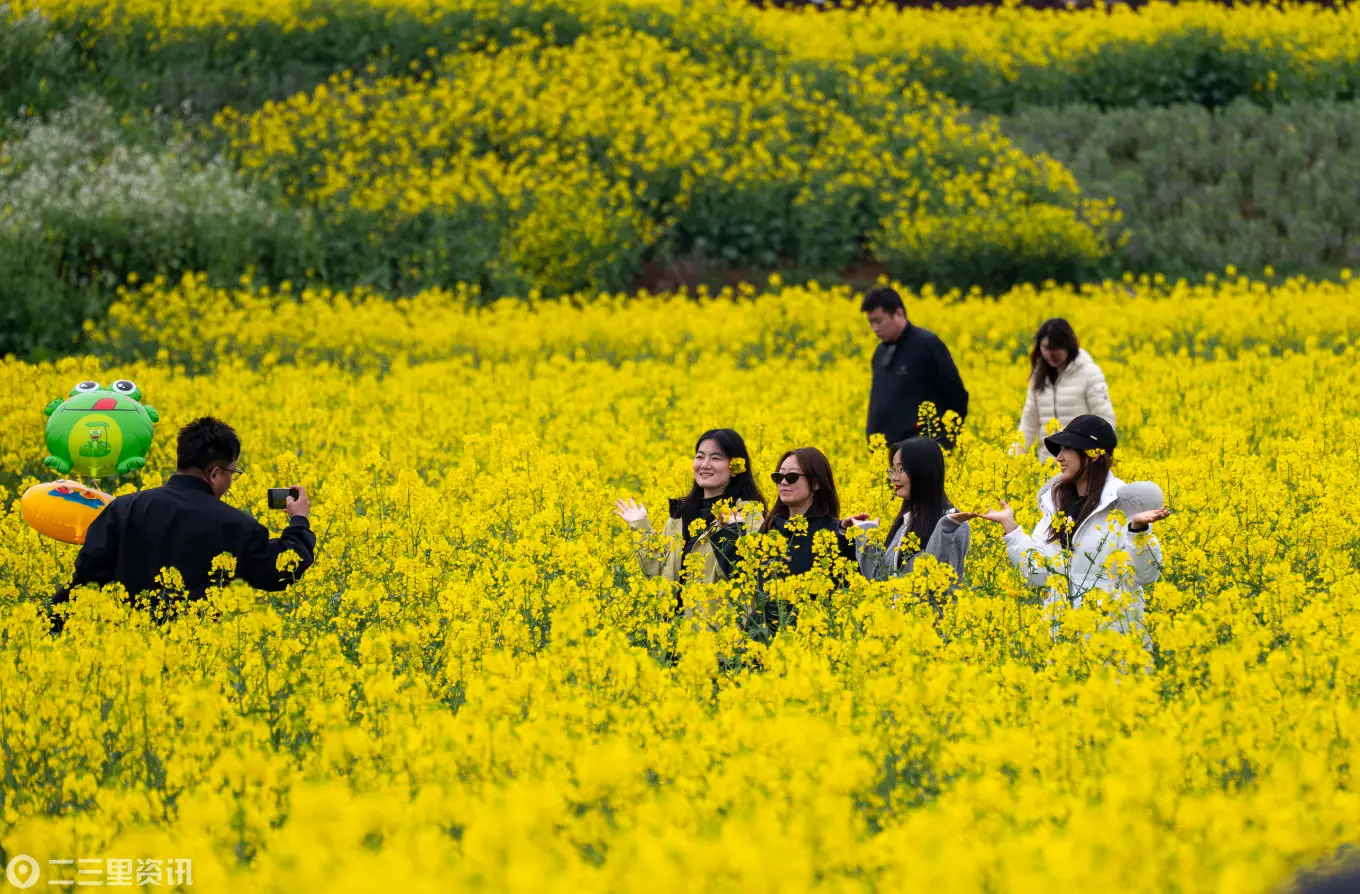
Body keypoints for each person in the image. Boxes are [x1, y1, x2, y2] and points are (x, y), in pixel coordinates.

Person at [52, 417, 316, 625]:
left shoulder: (123, 508)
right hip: (199, 663)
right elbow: (281, 570)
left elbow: (86, 577)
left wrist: (49, 623)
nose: (231, 480)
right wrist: (299, 522)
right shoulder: (235, 525)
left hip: (127, 660)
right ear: (215, 473)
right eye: (232, 472)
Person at [960, 415, 1168, 635]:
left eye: (1068, 448)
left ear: (1094, 454)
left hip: (1111, 639)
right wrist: (1011, 528)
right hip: (1061, 638)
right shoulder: (1056, 505)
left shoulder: (1124, 507)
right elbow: (1037, 574)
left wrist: (1138, 532)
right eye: (1059, 450)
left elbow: (1145, 575)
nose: (1058, 457)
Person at [614, 429, 766, 593]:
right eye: (700, 457)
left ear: (736, 467)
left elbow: (746, 576)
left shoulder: (747, 514)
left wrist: (732, 531)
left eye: (715, 458)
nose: (704, 464)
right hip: (675, 618)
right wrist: (641, 527)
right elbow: (657, 572)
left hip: (715, 617)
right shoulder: (680, 515)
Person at [751, 447, 857, 633]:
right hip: (766, 644)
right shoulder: (770, 529)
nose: (783, 483)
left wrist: (846, 537)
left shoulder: (832, 532)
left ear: (816, 483)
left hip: (812, 641)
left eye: (791, 477)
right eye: (778, 477)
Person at [847, 438, 970, 590]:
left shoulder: (954, 523)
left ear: (923, 471)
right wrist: (866, 533)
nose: (894, 477)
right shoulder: (907, 521)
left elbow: (942, 586)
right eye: (893, 469)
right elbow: (881, 581)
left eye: (901, 469)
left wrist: (946, 529)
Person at [863, 286, 969, 448]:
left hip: (921, 453)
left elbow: (956, 395)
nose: (875, 329)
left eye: (879, 321)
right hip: (887, 454)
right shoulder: (880, 352)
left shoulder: (927, 345)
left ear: (899, 313)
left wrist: (945, 438)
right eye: (870, 323)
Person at [1016, 318, 1116, 460]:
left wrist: (1097, 457)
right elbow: (1028, 424)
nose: (1051, 354)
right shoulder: (1038, 377)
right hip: (1048, 462)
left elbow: (1105, 419)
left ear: (1068, 345)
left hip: (1081, 461)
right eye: (1045, 348)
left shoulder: (1089, 373)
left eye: (1056, 348)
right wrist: (1012, 461)